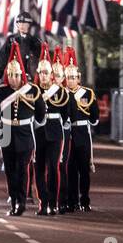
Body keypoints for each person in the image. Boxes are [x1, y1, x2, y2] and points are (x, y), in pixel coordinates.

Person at [0, 45, 42, 216]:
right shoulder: (2, 91)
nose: (13, 78)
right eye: (11, 75)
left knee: (22, 170)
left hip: (25, 134)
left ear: (22, 75)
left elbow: (41, 115)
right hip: (6, 133)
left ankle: (21, 202)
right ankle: (13, 200)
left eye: (16, 75)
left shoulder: (31, 91)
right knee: (9, 170)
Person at [33, 51, 69, 216]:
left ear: (51, 75)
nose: (43, 75)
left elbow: (65, 114)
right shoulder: (33, 91)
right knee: (39, 168)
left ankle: (53, 202)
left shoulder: (60, 92)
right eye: (40, 72)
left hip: (55, 132)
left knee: (54, 167)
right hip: (38, 132)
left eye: (46, 72)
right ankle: (43, 202)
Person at [62, 50, 97, 211]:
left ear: (79, 78)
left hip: (83, 133)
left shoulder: (87, 93)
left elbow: (94, 116)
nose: (72, 80)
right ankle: (72, 200)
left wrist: (92, 119)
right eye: (69, 78)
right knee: (70, 169)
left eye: (75, 77)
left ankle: (85, 200)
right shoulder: (62, 94)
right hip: (68, 134)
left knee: (84, 170)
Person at [0, 12, 44, 79]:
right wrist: (0, 71)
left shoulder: (35, 41)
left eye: (24, 23)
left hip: (30, 76)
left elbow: (41, 58)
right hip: (14, 75)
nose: (21, 26)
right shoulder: (11, 39)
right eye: (19, 23)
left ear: (29, 25)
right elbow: (3, 55)